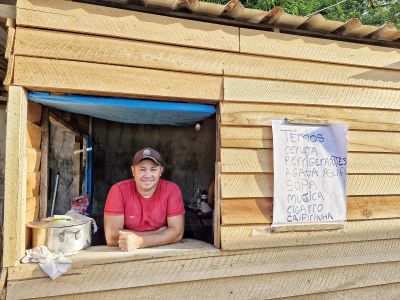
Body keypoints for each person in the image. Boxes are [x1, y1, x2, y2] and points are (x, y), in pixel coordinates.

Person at [104, 147, 185, 251]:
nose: (147, 175)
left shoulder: (172, 190)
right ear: (133, 170)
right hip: (125, 254)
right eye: (142, 169)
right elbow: (112, 237)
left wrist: (140, 241)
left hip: (162, 253)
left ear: (161, 171)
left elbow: (177, 233)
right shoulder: (118, 190)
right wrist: (157, 233)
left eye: (153, 169)